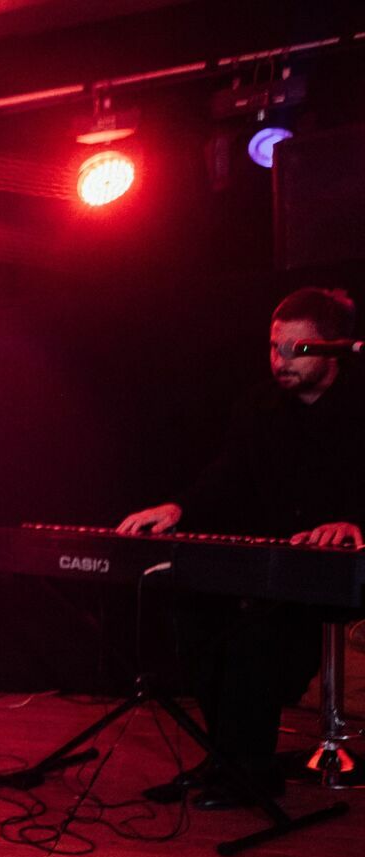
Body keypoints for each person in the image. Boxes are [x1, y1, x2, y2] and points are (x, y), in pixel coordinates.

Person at [116, 286, 365, 808]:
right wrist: (179, 508)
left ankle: (251, 770)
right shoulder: (259, 406)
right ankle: (225, 758)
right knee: (197, 614)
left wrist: (353, 521)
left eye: (297, 349)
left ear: (335, 350)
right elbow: (227, 475)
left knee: (259, 635)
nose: (281, 360)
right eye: (274, 347)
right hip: (283, 567)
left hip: (349, 571)